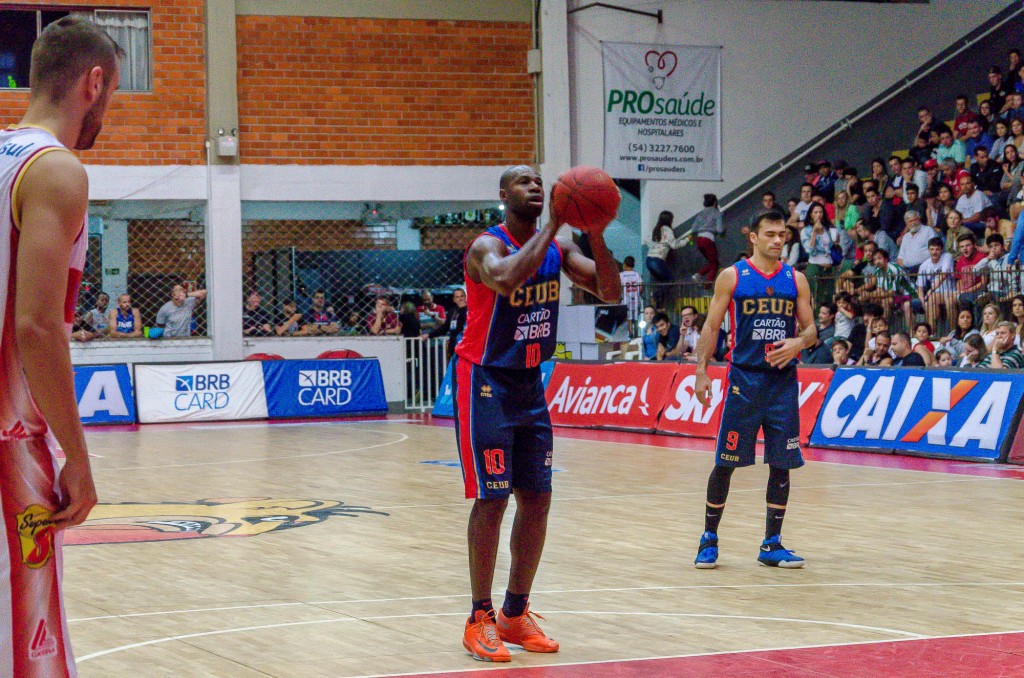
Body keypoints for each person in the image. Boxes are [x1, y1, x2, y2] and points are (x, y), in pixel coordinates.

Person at [454, 165, 621, 662]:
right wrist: (554, 222)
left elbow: (609, 292)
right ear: (503, 195)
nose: (533, 186)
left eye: (537, 181)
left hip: (529, 383)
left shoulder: (561, 249)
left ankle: (514, 612)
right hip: (484, 380)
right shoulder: (486, 246)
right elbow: (505, 280)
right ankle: (479, 617)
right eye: (523, 182)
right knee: (493, 499)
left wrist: (595, 234)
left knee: (538, 500)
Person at [0, 16, 123, 677]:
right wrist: (76, 455)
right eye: (112, 95)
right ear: (92, 82)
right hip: (9, 441)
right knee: (31, 637)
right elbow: (37, 327)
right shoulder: (55, 170)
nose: (108, 110)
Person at [692, 211, 816, 570]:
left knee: (782, 463)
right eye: (771, 234)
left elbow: (810, 331)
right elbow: (712, 326)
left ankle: (771, 543)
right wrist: (701, 371)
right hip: (743, 381)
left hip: (781, 383)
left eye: (783, 235)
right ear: (754, 237)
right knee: (725, 463)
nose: (778, 240)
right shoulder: (732, 276)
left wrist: (797, 343)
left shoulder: (797, 279)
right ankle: (708, 538)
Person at [643, 210, 684, 305]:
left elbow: (646, 240)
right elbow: (674, 245)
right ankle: (655, 297)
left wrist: (654, 246)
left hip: (649, 260)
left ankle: (658, 303)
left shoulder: (656, 229)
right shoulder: (668, 230)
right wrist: (686, 240)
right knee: (670, 280)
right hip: (658, 260)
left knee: (661, 282)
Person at [916, 237, 956, 333]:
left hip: (951, 291)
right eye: (932, 249)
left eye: (937, 249)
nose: (934, 252)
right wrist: (923, 302)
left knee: (948, 300)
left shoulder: (947, 257)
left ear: (942, 250)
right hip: (937, 294)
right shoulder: (924, 265)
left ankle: (953, 332)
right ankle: (931, 334)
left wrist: (931, 290)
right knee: (931, 301)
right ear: (928, 250)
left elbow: (943, 275)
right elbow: (920, 288)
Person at [428, 287, 468, 360]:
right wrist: (429, 335)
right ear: (454, 300)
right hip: (454, 348)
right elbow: (445, 327)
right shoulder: (452, 311)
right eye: (457, 297)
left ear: (466, 297)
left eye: (462, 296)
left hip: (466, 348)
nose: (460, 299)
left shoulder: (470, 311)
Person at [692, 193, 724, 283]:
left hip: (699, 239)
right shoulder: (717, 213)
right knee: (714, 265)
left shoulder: (700, 214)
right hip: (708, 239)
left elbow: (693, 229)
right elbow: (720, 229)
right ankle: (705, 281)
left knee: (712, 262)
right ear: (715, 203)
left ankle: (698, 275)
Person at [619, 256, 644, 331]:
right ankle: (636, 333)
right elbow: (641, 286)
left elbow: (618, 287)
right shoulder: (636, 274)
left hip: (625, 300)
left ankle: (630, 335)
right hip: (635, 300)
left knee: (628, 319)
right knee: (635, 318)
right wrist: (637, 294)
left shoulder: (621, 275)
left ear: (625, 264)